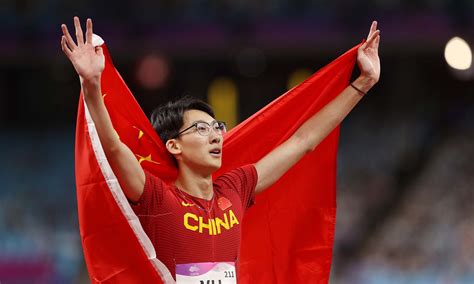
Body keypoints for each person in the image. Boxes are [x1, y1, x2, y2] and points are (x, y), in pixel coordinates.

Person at [61, 16, 380, 280]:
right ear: (174, 145)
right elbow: (114, 148)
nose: (215, 136)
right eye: (201, 129)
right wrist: (91, 84)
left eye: (217, 127)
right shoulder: (157, 197)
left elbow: (303, 142)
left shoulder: (236, 188)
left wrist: (362, 84)